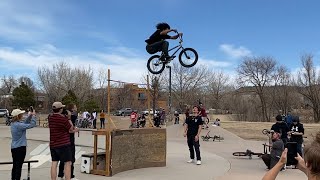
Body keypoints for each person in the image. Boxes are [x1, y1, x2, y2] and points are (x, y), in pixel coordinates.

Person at [49, 102, 79, 180]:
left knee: (54, 163)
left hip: (53, 143)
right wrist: (69, 118)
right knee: (68, 163)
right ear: (61, 109)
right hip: (63, 144)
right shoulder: (63, 119)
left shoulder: (50, 117)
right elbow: (71, 129)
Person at [10, 108, 37, 180]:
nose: (22, 115)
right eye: (21, 114)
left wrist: (30, 116)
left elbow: (25, 123)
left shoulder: (13, 124)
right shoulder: (19, 125)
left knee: (15, 165)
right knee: (19, 166)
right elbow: (32, 124)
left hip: (14, 147)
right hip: (20, 147)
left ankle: (13, 178)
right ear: (18, 116)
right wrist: (34, 116)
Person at [58, 103, 79, 180]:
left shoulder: (62, 116)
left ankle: (61, 174)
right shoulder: (72, 116)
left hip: (63, 139)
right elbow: (71, 128)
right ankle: (71, 175)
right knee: (71, 158)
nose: (76, 108)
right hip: (70, 139)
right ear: (72, 109)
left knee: (63, 158)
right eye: (75, 107)